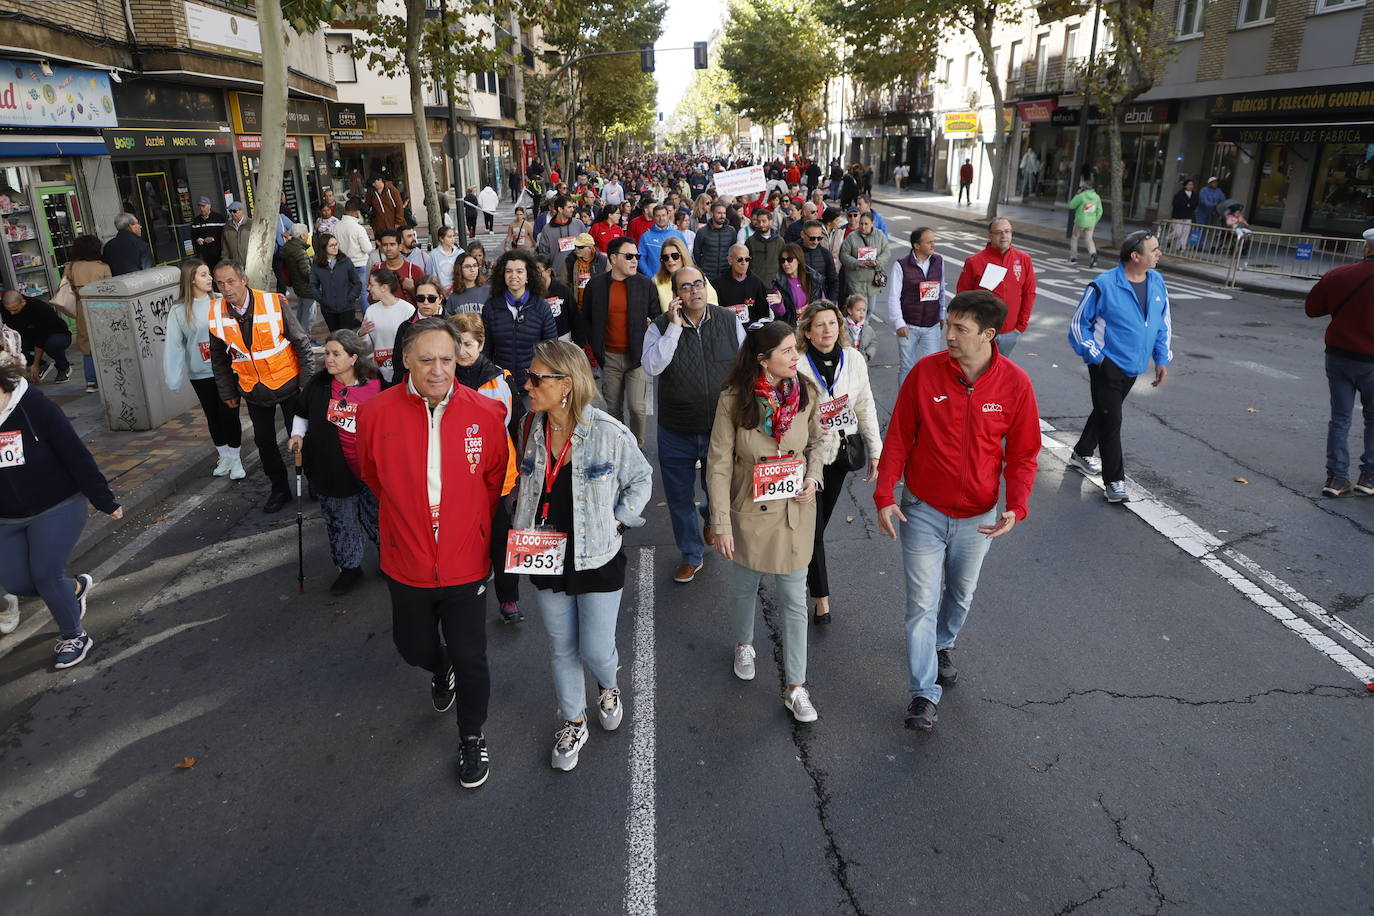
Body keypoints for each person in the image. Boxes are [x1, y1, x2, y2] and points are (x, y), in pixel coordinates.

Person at [875, 289, 1040, 734]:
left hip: (978, 517)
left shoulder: (1015, 384)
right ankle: (923, 693)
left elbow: (1024, 454)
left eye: (959, 329)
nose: (947, 334)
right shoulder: (925, 375)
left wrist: (1017, 506)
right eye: (948, 325)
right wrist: (885, 494)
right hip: (922, 511)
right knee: (920, 605)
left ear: (988, 335)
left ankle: (943, 644)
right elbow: (899, 438)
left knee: (960, 596)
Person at [356, 317, 510, 790]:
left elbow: (492, 482)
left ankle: (472, 735)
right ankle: (436, 666)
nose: (439, 369)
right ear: (406, 360)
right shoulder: (375, 414)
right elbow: (372, 476)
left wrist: (468, 528)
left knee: (473, 658)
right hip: (407, 562)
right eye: (427, 360)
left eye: (447, 358)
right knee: (413, 647)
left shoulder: (486, 412)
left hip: (466, 564)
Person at [509, 339, 651, 771]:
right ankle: (573, 720)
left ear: (566, 384)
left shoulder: (608, 432)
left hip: (597, 556)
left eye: (536, 378)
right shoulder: (528, 428)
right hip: (545, 555)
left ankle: (608, 685)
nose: (527, 385)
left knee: (595, 647)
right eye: (526, 377)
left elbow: (641, 479)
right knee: (561, 645)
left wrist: (619, 522)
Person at [707, 319, 826, 723]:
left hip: (794, 511)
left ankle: (796, 686)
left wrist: (813, 476)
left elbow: (819, 439)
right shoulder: (733, 400)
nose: (796, 356)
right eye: (787, 351)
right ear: (763, 360)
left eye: (796, 348)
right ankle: (744, 642)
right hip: (749, 508)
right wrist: (720, 522)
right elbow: (719, 463)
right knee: (745, 586)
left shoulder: (806, 392)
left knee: (794, 599)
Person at [0, 350, 122, 668]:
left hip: (57, 504)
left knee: (45, 574)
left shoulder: (33, 405)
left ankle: (74, 635)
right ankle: (75, 588)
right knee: (16, 583)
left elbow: (75, 453)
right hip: (7, 516)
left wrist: (103, 499)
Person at [641, 265, 745, 583]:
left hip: (719, 429)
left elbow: (745, 368)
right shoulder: (659, 326)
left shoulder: (728, 320)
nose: (693, 291)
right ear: (676, 295)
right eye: (685, 288)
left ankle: (711, 517)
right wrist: (673, 328)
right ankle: (691, 554)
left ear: (706, 286)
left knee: (720, 493)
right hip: (676, 429)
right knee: (679, 498)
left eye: (698, 284)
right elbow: (652, 366)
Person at [1066, 230, 1173, 504]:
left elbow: (1162, 323)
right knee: (1112, 421)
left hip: (1134, 365)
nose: (1159, 253)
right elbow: (1079, 326)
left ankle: (1082, 452)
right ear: (1135, 256)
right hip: (1106, 365)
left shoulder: (1157, 281)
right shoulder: (1103, 285)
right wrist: (1100, 359)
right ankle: (1115, 481)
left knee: (1105, 411)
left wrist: (1162, 358)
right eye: (1154, 250)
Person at [795, 301, 881, 625]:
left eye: (832, 323)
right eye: (820, 325)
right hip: (806, 457)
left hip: (841, 454)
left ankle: (805, 580)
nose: (827, 330)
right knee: (812, 529)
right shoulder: (798, 364)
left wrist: (876, 451)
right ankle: (821, 599)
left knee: (817, 527)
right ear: (807, 330)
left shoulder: (855, 360)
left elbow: (865, 405)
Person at [208, 259, 315, 514]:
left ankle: (315, 481)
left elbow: (302, 343)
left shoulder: (273, 303)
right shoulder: (216, 312)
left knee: (301, 436)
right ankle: (279, 489)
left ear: (244, 280)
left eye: (231, 281)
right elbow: (219, 358)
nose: (226, 288)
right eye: (221, 283)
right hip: (253, 390)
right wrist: (227, 392)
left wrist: (306, 383)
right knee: (264, 442)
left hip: (289, 383)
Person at [288, 329, 382, 594]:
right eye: (327, 353)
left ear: (353, 358)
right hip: (332, 468)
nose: (328, 359)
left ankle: (391, 559)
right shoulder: (319, 385)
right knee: (341, 521)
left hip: (372, 467)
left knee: (380, 518)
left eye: (335, 354)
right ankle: (349, 569)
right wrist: (297, 435)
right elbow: (301, 413)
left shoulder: (376, 383)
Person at [450, 312, 523, 623]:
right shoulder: (442, 379)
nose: (463, 351)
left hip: (499, 482)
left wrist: (522, 476)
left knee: (502, 542)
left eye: (469, 344)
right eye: (457, 344)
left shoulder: (502, 379)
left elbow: (518, 427)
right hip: (457, 483)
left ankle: (508, 599)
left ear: (480, 344)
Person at [1303, 226, 1374, 498]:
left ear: (1366, 248)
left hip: (1339, 356)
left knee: (1340, 418)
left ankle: (1336, 478)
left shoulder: (1339, 275)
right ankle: (1368, 477)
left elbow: (1313, 309)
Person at [165, 259, 244, 479]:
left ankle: (236, 458)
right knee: (213, 416)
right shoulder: (179, 310)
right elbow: (173, 345)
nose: (210, 279)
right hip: (200, 373)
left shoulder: (221, 302)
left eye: (209, 274)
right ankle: (225, 455)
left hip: (228, 371)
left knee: (229, 414)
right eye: (203, 274)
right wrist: (173, 378)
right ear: (191, 279)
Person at [583, 237, 656, 446]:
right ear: (613, 258)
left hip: (637, 357)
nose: (635, 261)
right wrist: (596, 347)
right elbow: (586, 317)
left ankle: (637, 446)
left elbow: (657, 316)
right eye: (629, 256)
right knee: (613, 409)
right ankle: (620, 447)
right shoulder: (595, 286)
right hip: (609, 357)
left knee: (637, 408)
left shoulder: (644, 285)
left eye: (637, 256)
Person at [481, 248, 558, 393]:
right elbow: (486, 348)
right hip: (500, 384)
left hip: (533, 384)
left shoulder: (541, 307)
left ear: (528, 276)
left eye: (519, 271)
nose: (513, 276)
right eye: (508, 271)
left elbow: (551, 348)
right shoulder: (491, 307)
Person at [956, 218, 1036, 356]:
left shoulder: (1024, 259)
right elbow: (962, 296)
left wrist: (1020, 326)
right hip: (981, 331)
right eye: (999, 232)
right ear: (990, 235)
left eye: (1007, 231)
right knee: (978, 371)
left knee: (1001, 372)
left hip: (1010, 332)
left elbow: (1029, 293)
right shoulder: (974, 261)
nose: (1004, 236)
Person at [887, 226, 946, 384]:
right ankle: (904, 407)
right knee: (907, 368)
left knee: (932, 368)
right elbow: (894, 297)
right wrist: (899, 323)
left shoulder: (938, 261)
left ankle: (927, 405)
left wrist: (941, 315)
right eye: (929, 242)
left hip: (932, 325)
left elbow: (942, 290)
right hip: (909, 326)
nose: (933, 245)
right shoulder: (901, 265)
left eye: (934, 241)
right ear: (917, 245)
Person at [61, 234, 111, 393]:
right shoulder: (102, 267)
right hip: (102, 307)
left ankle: (91, 382)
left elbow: (66, 287)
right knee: (107, 340)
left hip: (82, 306)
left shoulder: (70, 267)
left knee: (86, 344)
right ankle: (109, 376)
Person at [360, 268, 417, 386]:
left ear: (384, 287)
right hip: (379, 373)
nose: (368, 288)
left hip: (403, 372)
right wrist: (361, 334)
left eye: (371, 285)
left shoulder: (408, 309)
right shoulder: (371, 311)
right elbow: (366, 348)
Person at [1, 291, 71, 384]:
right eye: (8, 310)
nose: (11, 313)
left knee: (51, 344)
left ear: (23, 303)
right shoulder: (4, 308)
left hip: (57, 335)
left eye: (15, 310)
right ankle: (43, 365)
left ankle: (63, 367)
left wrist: (35, 364)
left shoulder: (39, 308)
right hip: (31, 336)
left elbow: (41, 338)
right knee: (9, 345)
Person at [311, 233, 363, 331]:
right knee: (334, 336)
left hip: (347, 307)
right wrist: (322, 300)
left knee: (347, 337)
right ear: (323, 247)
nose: (335, 247)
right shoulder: (317, 265)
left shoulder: (346, 261)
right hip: (328, 309)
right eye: (331, 245)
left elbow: (357, 282)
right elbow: (313, 285)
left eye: (336, 244)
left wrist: (350, 298)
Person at [839, 211, 890, 311]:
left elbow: (886, 253)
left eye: (866, 224)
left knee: (870, 309)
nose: (863, 226)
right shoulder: (852, 237)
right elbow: (844, 255)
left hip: (873, 282)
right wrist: (857, 263)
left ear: (872, 223)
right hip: (856, 282)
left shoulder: (879, 236)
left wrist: (877, 262)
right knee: (858, 311)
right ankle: (858, 326)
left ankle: (864, 326)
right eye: (861, 223)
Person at [652, 236, 718, 312]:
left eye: (675, 256)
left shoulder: (697, 276)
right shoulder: (656, 281)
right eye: (665, 257)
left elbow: (712, 305)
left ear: (683, 256)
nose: (670, 260)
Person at [334, 200, 374, 313]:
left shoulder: (336, 227)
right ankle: (366, 317)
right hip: (360, 263)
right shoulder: (358, 228)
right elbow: (367, 249)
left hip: (343, 264)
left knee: (348, 293)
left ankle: (349, 317)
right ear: (356, 212)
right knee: (364, 292)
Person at [716, 244, 772, 325]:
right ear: (730, 260)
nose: (744, 263)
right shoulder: (717, 284)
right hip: (727, 332)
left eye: (747, 259)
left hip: (751, 333)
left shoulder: (757, 283)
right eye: (740, 259)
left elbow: (763, 314)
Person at [535, 252, 583, 343]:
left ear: (548, 271)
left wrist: (580, 342)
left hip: (563, 338)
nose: (534, 276)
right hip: (539, 340)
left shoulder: (563, 290)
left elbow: (575, 317)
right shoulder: (529, 293)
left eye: (537, 272)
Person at [536, 195, 588, 278]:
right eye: (569, 207)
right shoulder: (547, 229)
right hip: (558, 275)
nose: (572, 210)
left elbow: (588, 246)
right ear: (560, 209)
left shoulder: (578, 224)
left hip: (579, 273)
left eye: (573, 207)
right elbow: (544, 254)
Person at [370, 229, 424, 305]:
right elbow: (370, 299)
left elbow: (425, 299)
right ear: (381, 247)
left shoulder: (414, 270)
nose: (388, 248)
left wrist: (412, 289)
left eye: (392, 244)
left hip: (409, 315)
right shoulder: (376, 269)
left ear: (400, 246)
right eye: (385, 245)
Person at [282, 223, 316, 336]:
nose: (307, 237)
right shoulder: (299, 251)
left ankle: (301, 336)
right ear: (302, 236)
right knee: (308, 314)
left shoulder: (289, 248)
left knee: (302, 312)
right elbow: (306, 272)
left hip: (298, 285)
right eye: (306, 234)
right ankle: (306, 338)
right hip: (306, 287)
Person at [637, 204, 687, 279]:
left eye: (663, 215)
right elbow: (640, 259)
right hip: (656, 280)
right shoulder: (646, 237)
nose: (661, 218)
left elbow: (685, 256)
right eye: (658, 216)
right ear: (653, 217)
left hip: (676, 279)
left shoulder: (678, 234)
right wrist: (651, 277)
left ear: (668, 216)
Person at [563, 232, 608, 316]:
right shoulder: (570, 261)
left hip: (597, 306)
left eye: (580, 247)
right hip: (578, 307)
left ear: (591, 248)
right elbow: (564, 283)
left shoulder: (603, 261)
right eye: (575, 246)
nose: (576, 249)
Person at [769, 243, 814, 326]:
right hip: (790, 327)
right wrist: (779, 303)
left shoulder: (813, 278)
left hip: (810, 325)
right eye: (782, 260)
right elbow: (780, 313)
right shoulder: (778, 283)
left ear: (799, 260)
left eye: (789, 259)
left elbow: (821, 302)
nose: (785, 264)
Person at [693, 201, 735, 280]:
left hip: (726, 274)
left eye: (724, 213)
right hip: (708, 275)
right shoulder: (702, 232)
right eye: (719, 213)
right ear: (711, 214)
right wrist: (702, 267)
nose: (722, 216)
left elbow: (733, 251)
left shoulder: (731, 231)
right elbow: (696, 252)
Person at [743, 208, 784, 287]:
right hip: (754, 284)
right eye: (759, 221)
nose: (761, 224)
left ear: (770, 221)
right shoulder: (750, 241)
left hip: (774, 285)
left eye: (764, 221)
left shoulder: (780, 241)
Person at [1067, 182, 1103, 268]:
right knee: (1089, 239)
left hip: (1080, 221)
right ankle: (1093, 254)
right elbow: (1100, 211)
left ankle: (1073, 258)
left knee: (1075, 238)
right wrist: (1095, 220)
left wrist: (1077, 194)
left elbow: (1071, 206)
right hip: (1091, 222)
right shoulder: (1097, 197)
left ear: (1084, 188)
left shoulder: (1081, 196)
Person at [425, 225, 462, 296]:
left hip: (458, 291)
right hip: (442, 293)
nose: (453, 239)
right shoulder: (433, 255)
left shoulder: (460, 252)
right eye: (449, 237)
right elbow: (431, 275)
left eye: (453, 236)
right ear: (441, 239)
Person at [190, 196, 226, 266]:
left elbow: (225, 234)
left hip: (218, 253)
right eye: (199, 206)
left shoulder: (219, 218)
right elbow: (193, 235)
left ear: (209, 206)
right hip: (203, 254)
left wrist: (213, 238)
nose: (201, 209)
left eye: (203, 206)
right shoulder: (196, 221)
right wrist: (198, 239)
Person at [843, 294, 877, 363]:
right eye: (858, 310)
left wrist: (867, 355)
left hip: (861, 362)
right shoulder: (842, 326)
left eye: (864, 310)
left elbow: (873, 343)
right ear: (850, 311)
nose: (862, 313)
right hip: (846, 362)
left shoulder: (868, 329)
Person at [1169, 179, 1198, 251]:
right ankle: (1169, 238)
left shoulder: (1194, 195)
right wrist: (1185, 205)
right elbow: (1175, 204)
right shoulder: (1179, 194)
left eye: (1192, 184)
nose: (1191, 186)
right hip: (1178, 216)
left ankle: (1181, 247)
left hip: (1188, 216)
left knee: (1185, 233)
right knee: (1178, 232)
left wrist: (1190, 205)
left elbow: (1195, 204)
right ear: (1185, 185)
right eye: (1189, 184)